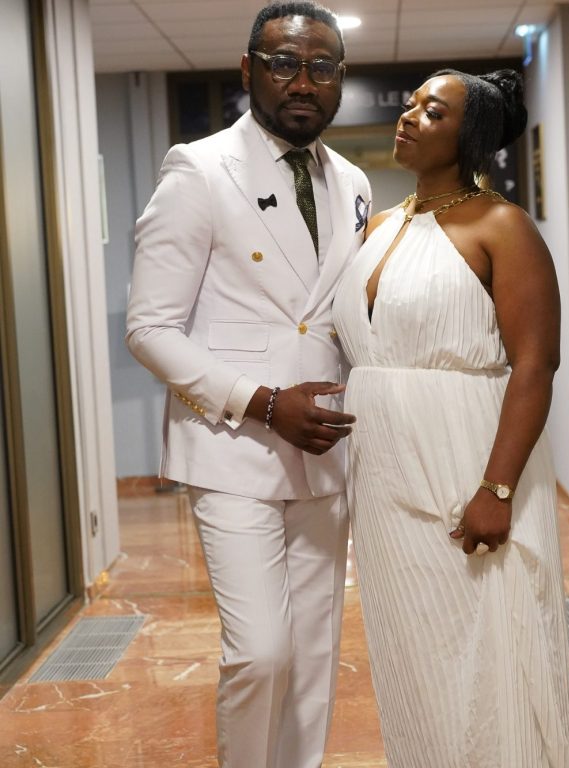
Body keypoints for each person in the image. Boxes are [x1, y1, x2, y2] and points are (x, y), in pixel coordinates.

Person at [125, 3, 371, 767]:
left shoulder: (354, 183)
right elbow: (150, 328)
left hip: (326, 450)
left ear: (339, 78)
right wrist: (264, 403)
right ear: (248, 70)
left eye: (321, 67)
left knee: (313, 658)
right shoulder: (198, 171)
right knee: (261, 652)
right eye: (283, 63)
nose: (302, 82)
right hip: (233, 447)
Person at [332, 68, 569, 767]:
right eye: (411, 104)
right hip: (383, 473)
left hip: (465, 460)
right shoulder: (381, 227)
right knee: (412, 651)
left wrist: (496, 488)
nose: (409, 116)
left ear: (469, 135)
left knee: (487, 643)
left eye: (433, 112)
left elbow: (536, 364)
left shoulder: (502, 226)